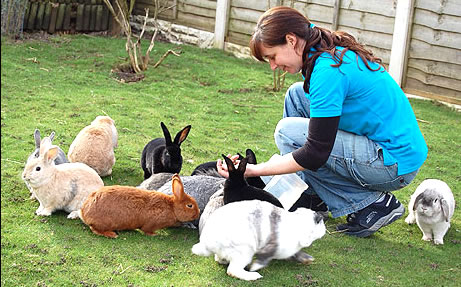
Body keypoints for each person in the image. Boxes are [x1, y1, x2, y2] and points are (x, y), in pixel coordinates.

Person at [217, 6, 428, 238]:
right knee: (297, 96)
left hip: (393, 163)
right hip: (385, 149)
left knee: (287, 133)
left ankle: (371, 204)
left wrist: (252, 170)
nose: (273, 66)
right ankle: (313, 194)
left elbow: (315, 153)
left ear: (291, 40)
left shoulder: (328, 71)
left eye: (272, 56)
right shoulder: (325, 56)